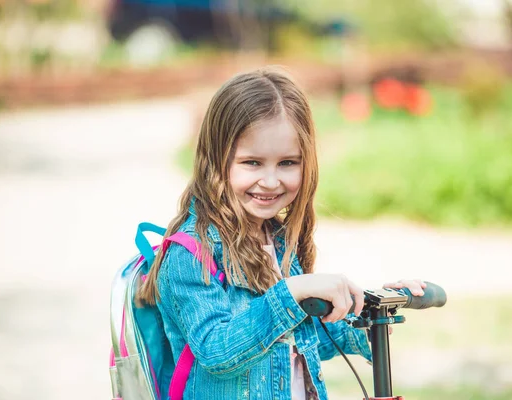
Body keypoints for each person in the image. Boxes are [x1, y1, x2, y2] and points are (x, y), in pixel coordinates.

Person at [137, 66, 426, 399]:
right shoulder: (190, 255)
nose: (271, 181)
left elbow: (304, 335)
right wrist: (291, 292)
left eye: (288, 163)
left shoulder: (276, 240)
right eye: (252, 163)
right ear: (215, 160)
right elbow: (217, 351)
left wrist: (372, 312)